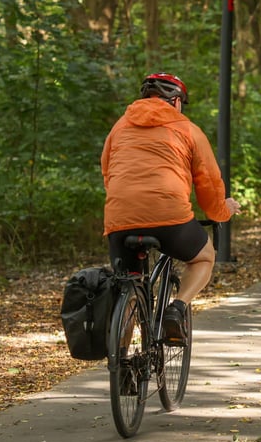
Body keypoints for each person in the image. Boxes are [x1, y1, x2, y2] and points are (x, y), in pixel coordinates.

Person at [100, 72, 241, 345]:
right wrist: (223, 211)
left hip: (120, 218)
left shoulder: (118, 127)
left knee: (128, 286)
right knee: (203, 257)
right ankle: (176, 309)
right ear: (176, 102)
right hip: (169, 218)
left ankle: (125, 372)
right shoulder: (188, 129)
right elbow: (209, 185)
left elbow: (108, 173)